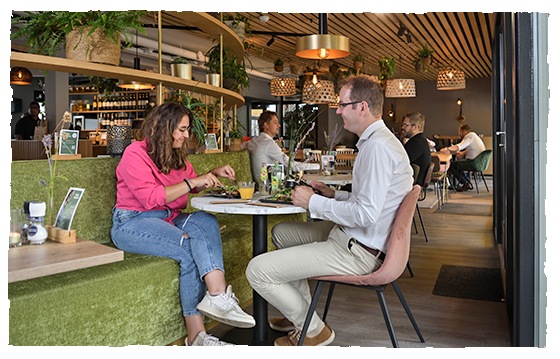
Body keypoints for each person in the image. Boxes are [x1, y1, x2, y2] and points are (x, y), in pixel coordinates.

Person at [245, 75, 413, 354]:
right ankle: (298, 312)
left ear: (362, 107)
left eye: (342, 105)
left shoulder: (377, 148)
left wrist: (313, 202)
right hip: (356, 239)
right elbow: (374, 203)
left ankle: (313, 330)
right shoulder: (380, 141)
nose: (337, 111)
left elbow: (365, 215)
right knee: (281, 233)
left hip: (358, 250)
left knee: (257, 271)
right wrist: (334, 195)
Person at [110, 102, 255, 351]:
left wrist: (212, 173)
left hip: (169, 217)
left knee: (205, 220)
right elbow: (151, 197)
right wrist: (193, 182)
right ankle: (196, 337)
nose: (187, 135)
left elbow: (187, 185)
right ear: (164, 128)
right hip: (132, 222)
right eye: (182, 129)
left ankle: (218, 295)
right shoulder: (135, 154)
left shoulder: (175, 154)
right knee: (188, 247)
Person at [247, 111, 317, 183]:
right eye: (275, 122)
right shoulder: (268, 143)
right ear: (266, 125)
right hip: (271, 188)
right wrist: (318, 167)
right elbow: (291, 165)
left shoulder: (253, 141)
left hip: (262, 186)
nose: (279, 125)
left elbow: (239, 146)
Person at [440, 123, 486, 192]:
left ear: (464, 132)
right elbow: (472, 148)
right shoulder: (474, 135)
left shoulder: (469, 137)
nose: (459, 133)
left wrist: (447, 148)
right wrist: (463, 152)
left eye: (460, 132)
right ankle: (468, 183)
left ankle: (465, 183)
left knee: (452, 165)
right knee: (458, 164)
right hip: (479, 162)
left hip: (474, 162)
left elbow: (459, 146)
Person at [402, 112, 432, 185]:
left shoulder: (416, 143)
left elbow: (400, 163)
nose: (402, 127)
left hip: (412, 185)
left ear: (415, 127)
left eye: (405, 125)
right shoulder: (419, 140)